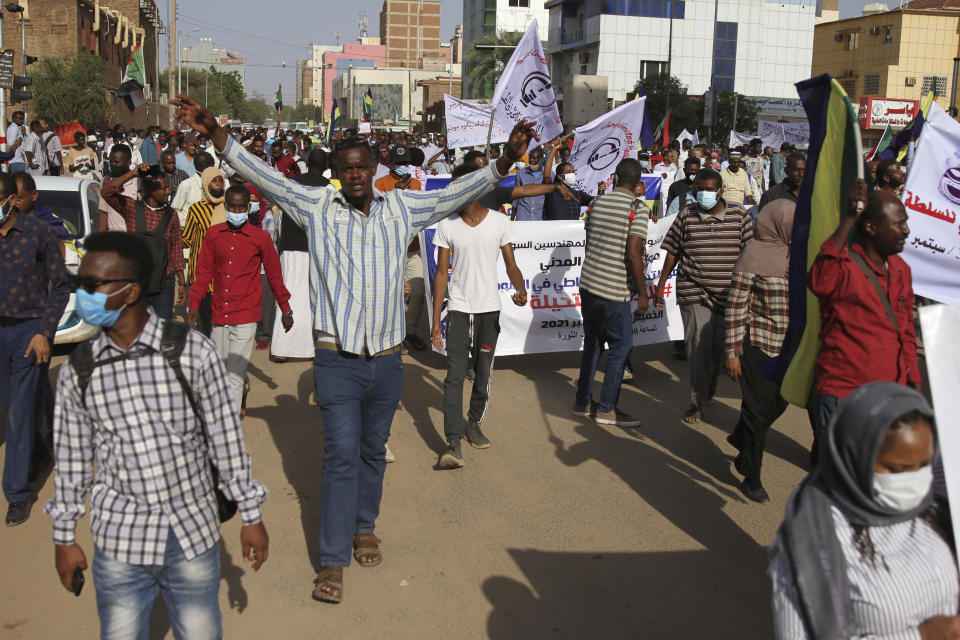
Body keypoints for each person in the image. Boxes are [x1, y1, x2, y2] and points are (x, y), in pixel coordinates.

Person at [171, 93, 539, 605]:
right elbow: (263, 176)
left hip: (387, 362)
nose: (357, 174)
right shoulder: (317, 206)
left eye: (364, 166)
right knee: (341, 456)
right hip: (336, 359)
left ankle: (365, 526)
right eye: (348, 168)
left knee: (371, 452)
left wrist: (504, 161)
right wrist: (216, 132)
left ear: (375, 168)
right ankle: (331, 560)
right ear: (338, 174)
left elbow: (458, 193)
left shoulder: (403, 208)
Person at [44, 231, 270, 637]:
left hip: (191, 534)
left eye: (93, 285)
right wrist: (65, 538)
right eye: (82, 285)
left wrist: (250, 515)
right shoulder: (80, 370)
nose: (84, 295)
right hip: (119, 542)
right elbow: (72, 462)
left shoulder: (191, 352)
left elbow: (225, 441)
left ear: (130, 292)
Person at [768, 382, 957, 639]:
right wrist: (919, 636)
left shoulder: (937, 516)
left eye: (923, 465)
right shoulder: (811, 545)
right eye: (899, 469)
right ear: (855, 459)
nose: (916, 481)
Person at [807, 180, 920, 461]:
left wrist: (914, 385)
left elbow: (905, 331)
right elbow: (818, 281)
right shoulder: (843, 266)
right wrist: (849, 217)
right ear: (870, 228)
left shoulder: (901, 270)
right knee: (844, 490)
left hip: (888, 400)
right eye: (899, 223)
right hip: (843, 397)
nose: (906, 230)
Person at [430, 163, 528, 469]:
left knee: (483, 375)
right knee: (454, 377)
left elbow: (511, 263)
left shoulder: (499, 222)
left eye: (461, 186)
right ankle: (452, 443)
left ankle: (473, 423)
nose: (455, 193)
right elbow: (441, 275)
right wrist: (435, 321)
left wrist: (520, 288)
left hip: (489, 310)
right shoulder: (447, 226)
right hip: (459, 310)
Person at [655, 169, 754, 424]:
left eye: (708, 189)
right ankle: (696, 401)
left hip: (728, 295)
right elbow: (673, 251)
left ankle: (708, 384)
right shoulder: (686, 215)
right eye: (699, 189)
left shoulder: (739, 216)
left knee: (719, 352)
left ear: (720, 191)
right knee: (697, 349)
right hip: (694, 290)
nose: (703, 194)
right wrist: (661, 282)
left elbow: (750, 255)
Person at [187, 185, 293, 414]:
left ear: (248, 208)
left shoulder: (260, 239)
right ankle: (240, 391)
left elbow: (274, 275)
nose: (236, 210)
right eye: (232, 206)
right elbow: (203, 272)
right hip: (219, 311)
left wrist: (285, 308)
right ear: (226, 207)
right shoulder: (213, 235)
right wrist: (194, 304)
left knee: (233, 373)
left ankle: (228, 425)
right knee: (221, 369)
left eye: (241, 207)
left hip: (246, 313)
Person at [0, 173, 68, 526]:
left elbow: (59, 287)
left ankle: (17, 492)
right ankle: (42, 450)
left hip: (28, 332)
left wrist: (44, 332)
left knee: (19, 414)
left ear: (11, 199)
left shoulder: (38, 234)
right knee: (12, 403)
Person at [724, 199, 794, 503]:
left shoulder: (797, 255)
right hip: (758, 344)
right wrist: (732, 351)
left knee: (780, 403)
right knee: (757, 410)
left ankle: (740, 437)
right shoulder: (752, 256)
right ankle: (751, 474)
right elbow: (736, 309)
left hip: (788, 348)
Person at [573, 158, 650, 428]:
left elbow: (590, 241)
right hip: (613, 289)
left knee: (593, 343)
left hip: (589, 284)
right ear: (638, 182)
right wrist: (643, 294)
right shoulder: (636, 209)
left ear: (616, 178)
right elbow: (633, 253)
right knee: (621, 346)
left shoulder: (595, 203)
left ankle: (582, 401)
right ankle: (607, 408)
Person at [99, 163, 187, 319]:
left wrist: (182, 283)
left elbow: (176, 250)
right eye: (165, 188)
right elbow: (106, 192)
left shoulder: (171, 215)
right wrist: (133, 173)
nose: (169, 190)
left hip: (163, 281)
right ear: (152, 191)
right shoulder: (132, 208)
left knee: (161, 325)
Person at [271, 148, 330, 360]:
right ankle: (307, 349)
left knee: (287, 294)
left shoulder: (292, 183)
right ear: (325, 167)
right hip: (314, 247)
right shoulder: (329, 188)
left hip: (289, 246)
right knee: (309, 297)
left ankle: (281, 348)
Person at [375, 147, 428, 352]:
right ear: (391, 165)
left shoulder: (415, 184)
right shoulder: (381, 184)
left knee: (418, 291)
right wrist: (395, 191)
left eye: (405, 162)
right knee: (394, 294)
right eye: (398, 163)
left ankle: (410, 331)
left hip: (413, 248)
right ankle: (393, 336)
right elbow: (377, 214)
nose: (402, 166)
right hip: (390, 251)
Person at [182, 167, 228, 336]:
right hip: (201, 272)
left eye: (220, 181)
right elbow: (186, 238)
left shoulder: (230, 208)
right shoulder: (196, 210)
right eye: (214, 181)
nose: (218, 185)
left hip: (223, 272)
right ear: (206, 184)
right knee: (204, 320)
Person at [97, 144, 136, 232]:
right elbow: (104, 213)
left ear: (129, 163)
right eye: (110, 161)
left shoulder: (138, 182)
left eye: (116, 162)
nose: (112, 165)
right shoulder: (106, 182)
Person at [172, 151, 216, 227]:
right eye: (212, 166)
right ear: (206, 167)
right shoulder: (186, 185)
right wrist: (189, 223)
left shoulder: (217, 184)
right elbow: (175, 210)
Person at [512, 146, 547, 221]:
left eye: (534, 158)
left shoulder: (547, 174)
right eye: (530, 157)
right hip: (523, 216)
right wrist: (512, 219)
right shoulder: (521, 173)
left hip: (539, 217)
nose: (531, 160)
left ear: (541, 159)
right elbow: (516, 198)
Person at [744, 137, 766, 203]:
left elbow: (762, 176)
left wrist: (764, 191)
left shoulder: (761, 159)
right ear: (753, 147)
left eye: (761, 147)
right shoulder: (745, 160)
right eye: (758, 147)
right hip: (748, 191)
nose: (760, 149)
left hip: (758, 191)